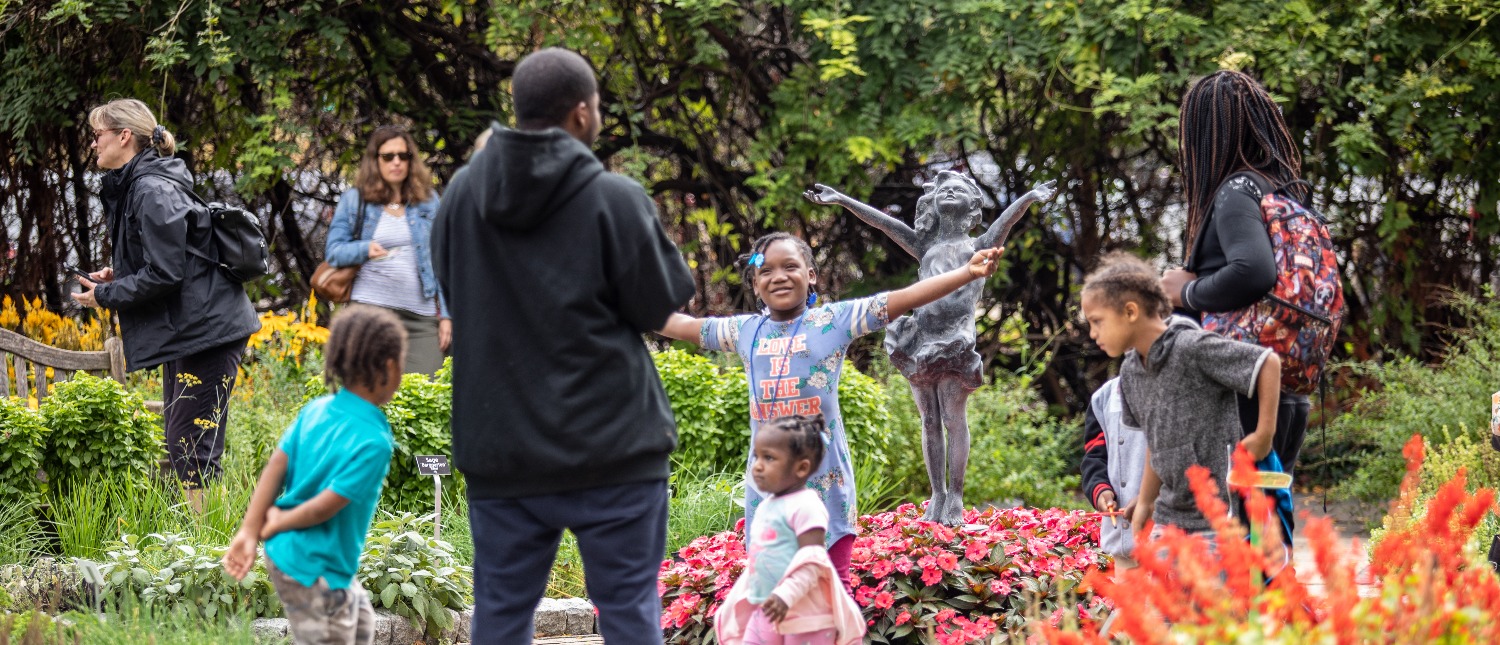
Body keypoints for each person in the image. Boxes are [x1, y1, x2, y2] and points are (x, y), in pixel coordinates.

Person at [431, 47, 695, 643]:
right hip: (615, 446)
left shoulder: (459, 201)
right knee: (629, 611)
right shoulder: (614, 199)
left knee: (499, 616)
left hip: (502, 448)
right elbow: (660, 305)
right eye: (598, 107)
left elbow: (456, 290)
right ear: (581, 114)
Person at [658, 232, 1004, 585]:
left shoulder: (834, 321)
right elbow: (683, 326)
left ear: (810, 274)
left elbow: (903, 298)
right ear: (755, 283)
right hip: (767, 497)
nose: (778, 276)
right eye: (767, 271)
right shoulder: (746, 331)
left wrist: (967, 273)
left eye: (790, 266)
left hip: (828, 494)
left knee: (829, 601)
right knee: (772, 602)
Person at [805, 173, 1056, 525]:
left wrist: (1028, 196)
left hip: (955, 340)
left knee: (954, 418)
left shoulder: (978, 245)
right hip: (919, 338)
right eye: (944, 190)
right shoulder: (925, 246)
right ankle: (936, 493)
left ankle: (955, 496)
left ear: (972, 206)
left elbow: (1006, 221)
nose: (950, 192)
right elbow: (885, 224)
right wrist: (843, 199)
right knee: (929, 420)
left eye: (960, 190)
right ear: (934, 205)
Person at [72, 98, 260, 505]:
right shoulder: (143, 184)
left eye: (97, 135)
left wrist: (105, 295)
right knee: (184, 443)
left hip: (209, 329)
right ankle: (204, 546)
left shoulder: (151, 189)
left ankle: (210, 551)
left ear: (124, 136)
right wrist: (117, 275)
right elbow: (169, 260)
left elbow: (166, 273)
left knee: (191, 444)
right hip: (192, 329)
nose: (93, 144)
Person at [1159, 70, 1314, 495]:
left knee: (1238, 533)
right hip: (1283, 390)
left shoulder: (1236, 192)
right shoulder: (1281, 190)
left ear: (1208, 132)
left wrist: (1185, 291)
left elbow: (1254, 271)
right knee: (1267, 531)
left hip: (1243, 394)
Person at [222, 305, 406, 645]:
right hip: (313, 567)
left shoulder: (317, 410)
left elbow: (275, 466)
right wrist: (274, 523)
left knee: (362, 621)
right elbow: (324, 507)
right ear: (391, 366)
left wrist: (249, 530)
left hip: (300, 556)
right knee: (330, 634)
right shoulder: (374, 441)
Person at [1078, 252, 1281, 542]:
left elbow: (1266, 364)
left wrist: (1264, 434)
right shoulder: (1132, 372)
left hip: (1217, 520)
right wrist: (1146, 501)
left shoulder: (1190, 347)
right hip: (1169, 517)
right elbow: (1155, 441)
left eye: (1097, 321)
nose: (1092, 333)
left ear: (1131, 312)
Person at [714, 414, 865, 645]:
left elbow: (813, 560)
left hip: (805, 617)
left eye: (769, 458)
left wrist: (786, 594)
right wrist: (740, 598)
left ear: (801, 468)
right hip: (766, 607)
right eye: (757, 457)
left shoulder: (806, 505)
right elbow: (760, 560)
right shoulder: (766, 507)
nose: (758, 466)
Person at [324, 125, 449, 376]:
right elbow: (334, 252)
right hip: (370, 312)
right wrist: (364, 249)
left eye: (403, 156)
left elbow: (443, 262)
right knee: (370, 391)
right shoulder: (355, 200)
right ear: (375, 160)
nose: (396, 162)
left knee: (428, 395)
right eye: (388, 156)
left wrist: (446, 315)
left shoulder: (428, 201)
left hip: (420, 316)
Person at [1079, 376, 1144, 569]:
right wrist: (1101, 491)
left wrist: (1151, 498)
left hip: (1173, 546)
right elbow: (1094, 457)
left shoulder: (1176, 390)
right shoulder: (1104, 397)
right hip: (1124, 546)